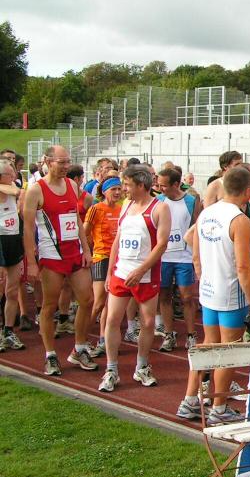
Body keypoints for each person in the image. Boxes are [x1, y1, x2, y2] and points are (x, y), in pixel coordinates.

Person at [177, 166, 250, 423]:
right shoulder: (240, 220)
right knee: (229, 351)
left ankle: (190, 400)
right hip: (229, 293)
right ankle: (219, 407)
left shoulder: (207, 212)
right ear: (247, 190)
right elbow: (243, 267)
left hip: (209, 290)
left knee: (209, 346)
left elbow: (194, 249)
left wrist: (203, 275)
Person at [23, 146, 97, 376]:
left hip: (74, 253)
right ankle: (50, 355)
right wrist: (31, 262)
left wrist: (86, 249)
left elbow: (76, 220)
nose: (66, 166)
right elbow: (27, 228)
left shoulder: (72, 185)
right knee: (50, 305)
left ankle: (79, 348)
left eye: (68, 162)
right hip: (51, 255)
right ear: (47, 161)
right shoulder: (36, 190)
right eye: (61, 162)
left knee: (87, 300)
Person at [98, 165, 170, 392]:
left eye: (127, 185)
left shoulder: (160, 208)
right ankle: (111, 369)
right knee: (112, 319)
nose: (123, 189)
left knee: (147, 322)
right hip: (121, 272)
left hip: (146, 275)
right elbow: (118, 241)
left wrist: (140, 271)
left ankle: (142, 366)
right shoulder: (126, 206)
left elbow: (162, 245)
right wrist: (110, 272)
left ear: (141, 185)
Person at [155, 168, 200, 351]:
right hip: (164, 256)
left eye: (163, 185)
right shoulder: (159, 201)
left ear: (175, 184)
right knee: (164, 295)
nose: (160, 188)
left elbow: (197, 226)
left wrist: (197, 254)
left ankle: (191, 334)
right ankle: (168, 334)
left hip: (184, 257)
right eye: (159, 185)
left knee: (187, 297)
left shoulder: (191, 201)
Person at [83, 176, 122, 358]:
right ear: (104, 191)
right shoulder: (96, 209)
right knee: (98, 302)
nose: (117, 192)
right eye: (113, 189)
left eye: (119, 189)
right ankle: (82, 340)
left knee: (109, 304)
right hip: (101, 257)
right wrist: (87, 252)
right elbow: (84, 232)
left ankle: (102, 339)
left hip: (117, 259)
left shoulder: (122, 209)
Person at [0, 159, 25, 351]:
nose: (15, 176)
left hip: (13, 240)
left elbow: (19, 192)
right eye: (11, 174)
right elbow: (17, 191)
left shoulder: (13, 188)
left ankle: (8, 331)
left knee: (12, 290)